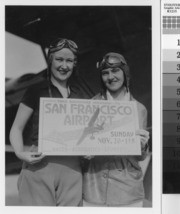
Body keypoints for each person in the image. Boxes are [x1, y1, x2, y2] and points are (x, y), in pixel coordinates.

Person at [9, 38, 84, 206]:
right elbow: (16, 128)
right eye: (59, 59)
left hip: (72, 169)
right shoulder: (36, 90)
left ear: (74, 64)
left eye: (69, 61)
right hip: (39, 165)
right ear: (50, 60)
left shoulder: (80, 94)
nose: (64, 65)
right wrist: (20, 153)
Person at [83, 52, 150, 207]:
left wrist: (143, 145)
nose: (110, 77)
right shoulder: (90, 105)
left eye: (115, 71)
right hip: (94, 189)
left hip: (127, 191)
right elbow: (82, 143)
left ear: (125, 73)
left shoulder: (139, 109)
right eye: (105, 73)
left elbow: (140, 157)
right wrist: (84, 150)